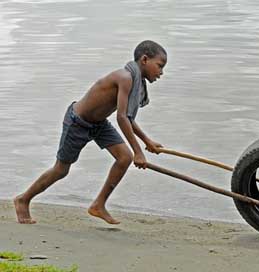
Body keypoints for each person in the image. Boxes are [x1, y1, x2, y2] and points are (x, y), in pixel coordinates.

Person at [14, 40, 167, 225]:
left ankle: (98, 205)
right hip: (77, 122)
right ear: (144, 59)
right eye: (159, 66)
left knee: (124, 157)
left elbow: (129, 117)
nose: (161, 73)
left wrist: (147, 142)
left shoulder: (136, 82)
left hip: (99, 123)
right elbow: (121, 118)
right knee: (61, 170)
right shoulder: (125, 77)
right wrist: (139, 152)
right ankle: (23, 199)